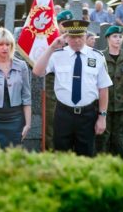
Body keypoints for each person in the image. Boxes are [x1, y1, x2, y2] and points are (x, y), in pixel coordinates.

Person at [33, 20, 113, 157]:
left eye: (80, 37)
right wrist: (51, 48)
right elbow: (37, 72)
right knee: (61, 156)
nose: (76, 41)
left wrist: (102, 117)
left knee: (86, 157)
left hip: (88, 114)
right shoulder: (57, 55)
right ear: (66, 37)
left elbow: (103, 88)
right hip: (63, 114)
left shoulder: (97, 56)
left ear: (85, 36)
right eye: (72, 37)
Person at [95, 26, 123, 158]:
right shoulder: (100, 57)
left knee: (118, 141)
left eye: (120, 37)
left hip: (121, 107)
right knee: (102, 140)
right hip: (103, 108)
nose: (118, 39)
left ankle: (118, 170)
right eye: (114, 36)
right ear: (107, 39)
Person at [45, 10, 73, 150]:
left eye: (69, 24)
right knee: (52, 125)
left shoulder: (75, 43)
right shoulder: (52, 43)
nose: (66, 28)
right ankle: (51, 156)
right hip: (53, 91)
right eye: (63, 24)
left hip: (72, 91)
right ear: (58, 25)